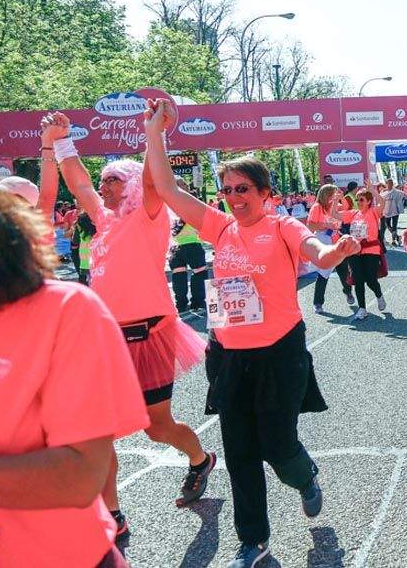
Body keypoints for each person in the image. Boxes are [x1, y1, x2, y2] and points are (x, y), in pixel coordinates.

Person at [142, 99, 361, 568]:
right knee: (240, 453)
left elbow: (316, 253)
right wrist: (154, 131)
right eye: (227, 190)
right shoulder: (219, 227)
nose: (234, 197)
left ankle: (304, 477)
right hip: (230, 356)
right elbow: (164, 186)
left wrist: (335, 252)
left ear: (264, 192)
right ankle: (254, 541)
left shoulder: (282, 225)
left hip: (280, 355)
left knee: (278, 447)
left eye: (243, 188)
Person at [43, 111, 213, 548]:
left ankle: (199, 459)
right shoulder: (102, 219)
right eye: (103, 180)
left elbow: (156, 180)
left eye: (113, 180)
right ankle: (113, 515)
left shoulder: (149, 216)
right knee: (99, 432)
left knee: (157, 428)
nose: (102, 185)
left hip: (151, 336)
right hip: (105, 341)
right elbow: (78, 181)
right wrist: (61, 142)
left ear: (133, 184)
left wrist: (153, 134)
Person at [0, 191, 149, 568]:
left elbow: (79, 477)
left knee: (163, 426)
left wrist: (55, 147)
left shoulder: (64, 310)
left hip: (60, 556)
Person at [306, 184, 355, 314]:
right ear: (326, 194)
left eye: (336, 193)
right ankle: (318, 302)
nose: (335, 196)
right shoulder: (317, 207)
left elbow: (346, 207)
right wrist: (324, 225)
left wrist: (341, 197)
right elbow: (310, 226)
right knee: (324, 272)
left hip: (337, 240)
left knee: (343, 269)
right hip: (324, 241)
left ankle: (348, 292)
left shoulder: (335, 205)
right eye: (333, 193)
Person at [341, 182, 387, 320]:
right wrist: (334, 200)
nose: (359, 202)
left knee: (370, 279)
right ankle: (362, 308)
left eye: (361, 199)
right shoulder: (353, 213)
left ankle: (379, 295)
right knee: (358, 279)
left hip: (371, 250)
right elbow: (335, 215)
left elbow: (382, 202)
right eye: (357, 199)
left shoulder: (373, 212)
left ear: (368, 201)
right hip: (355, 251)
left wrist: (373, 191)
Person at [170, 180, 209, 318]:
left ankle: (180, 304)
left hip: (174, 245)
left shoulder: (166, 203)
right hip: (192, 242)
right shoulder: (189, 201)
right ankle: (197, 302)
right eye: (184, 185)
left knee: (178, 274)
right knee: (199, 273)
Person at [379, 178, 407, 246]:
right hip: (386, 212)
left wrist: (401, 204)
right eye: (388, 183)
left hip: (395, 211)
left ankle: (393, 240)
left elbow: (404, 195)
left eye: (391, 183)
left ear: (392, 184)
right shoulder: (383, 192)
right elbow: (380, 200)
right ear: (386, 184)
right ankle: (397, 237)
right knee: (388, 225)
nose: (389, 185)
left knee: (394, 226)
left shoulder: (397, 192)